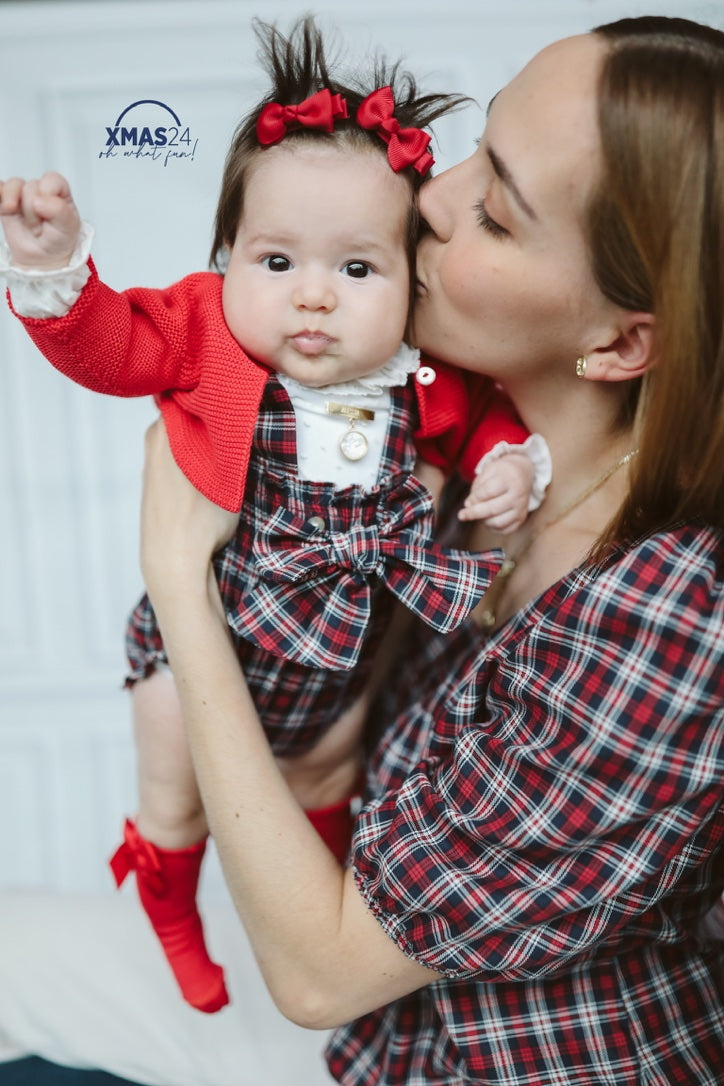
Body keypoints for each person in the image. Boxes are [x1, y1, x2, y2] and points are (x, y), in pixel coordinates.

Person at [132, 13, 723, 1085]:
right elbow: (329, 761)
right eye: (476, 147)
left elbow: (319, 973)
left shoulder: (674, 613)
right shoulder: (452, 450)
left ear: (620, 341)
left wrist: (178, 577)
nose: (434, 199)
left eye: (494, 214)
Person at [0, 19, 550, 1016]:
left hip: (341, 654)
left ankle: (336, 912)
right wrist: (57, 277)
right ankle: (170, 901)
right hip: (203, 638)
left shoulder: (423, 373)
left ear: (409, 283)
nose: (312, 300)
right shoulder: (207, 332)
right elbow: (113, 349)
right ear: (225, 256)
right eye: (276, 260)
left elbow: (485, 426)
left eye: (355, 270)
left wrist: (509, 462)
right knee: (176, 782)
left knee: (327, 774)